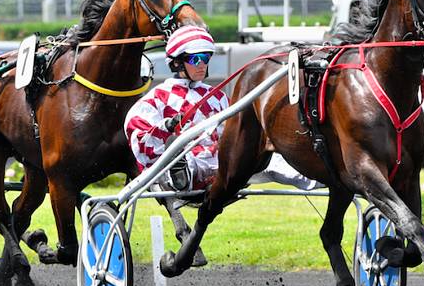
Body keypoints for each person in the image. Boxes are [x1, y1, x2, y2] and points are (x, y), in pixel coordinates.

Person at [125, 25, 318, 192]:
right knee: (187, 162)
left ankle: (331, 179)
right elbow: (139, 140)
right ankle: (180, 175)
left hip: (226, 162)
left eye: (206, 57)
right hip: (188, 163)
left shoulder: (217, 96)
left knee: (278, 162)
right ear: (176, 62)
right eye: (195, 59)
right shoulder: (156, 99)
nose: (202, 64)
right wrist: (167, 127)